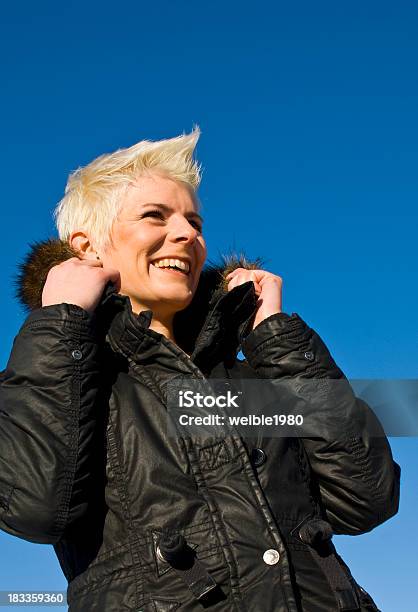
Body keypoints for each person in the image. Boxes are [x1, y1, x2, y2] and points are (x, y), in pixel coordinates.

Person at [0, 128, 400, 612]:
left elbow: (367, 497)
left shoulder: (254, 378)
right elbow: (33, 508)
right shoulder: (65, 382)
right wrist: (60, 324)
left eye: (194, 221)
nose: (188, 234)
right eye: (155, 216)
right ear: (88, 248)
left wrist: (274, 335)